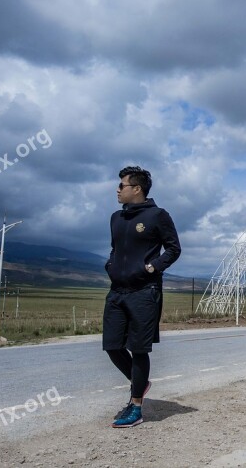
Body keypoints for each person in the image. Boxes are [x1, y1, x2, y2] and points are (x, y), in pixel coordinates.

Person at [103, 166, 181, 428]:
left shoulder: (158, 215)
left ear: (136, 189)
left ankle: (136, 406)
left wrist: (152, 267)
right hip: (117, 291)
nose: (117, 189)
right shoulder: (116, 218)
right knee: (112, 346)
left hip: (144, 292)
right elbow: (116, 249)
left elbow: (173, 249)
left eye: (121, 185)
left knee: (138, 349)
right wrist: (111, 265)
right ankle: (141, 383)